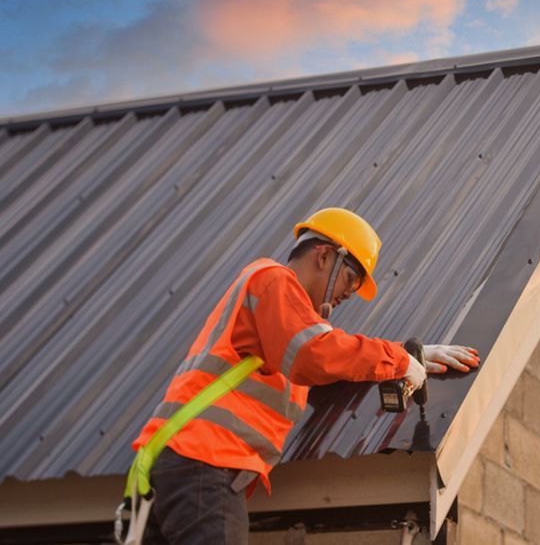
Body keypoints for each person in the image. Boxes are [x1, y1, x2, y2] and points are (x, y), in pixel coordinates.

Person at [130, 208, 479, 544]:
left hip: (185, 463)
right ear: (325, 256)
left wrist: (405, 353)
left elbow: (329, 355)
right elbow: (317, 353)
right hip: (205, 461)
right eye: (351, 278)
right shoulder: (272, 279)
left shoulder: (280, 323)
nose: (350, 293)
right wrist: (397, 359)